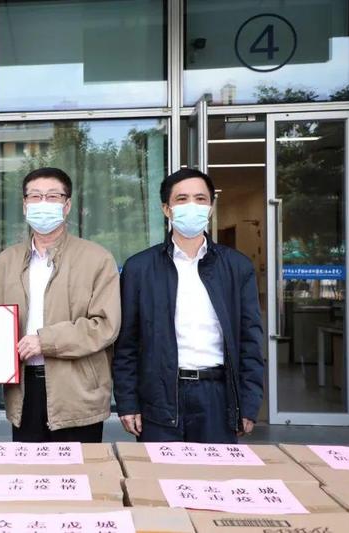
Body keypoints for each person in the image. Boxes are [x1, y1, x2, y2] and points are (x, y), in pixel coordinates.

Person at [113, 168, 264, 443]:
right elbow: (127, 344)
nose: (192, 205)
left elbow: (250, 341)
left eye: (200, 199)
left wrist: (249, 403)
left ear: (211, 207)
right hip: (158, 396)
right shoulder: (139, 268)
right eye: (182, 199)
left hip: (217, 396)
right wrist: (127, 402)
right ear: (166, 209)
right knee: (160, 471)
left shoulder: (237, 266)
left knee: (214, 471)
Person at [0, 167, 120, 443]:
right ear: (24, 205)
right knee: (28, 469)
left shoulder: (97, 259)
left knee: (77, 469)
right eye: (35, 196)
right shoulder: (5, 262)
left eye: (52, 196)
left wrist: (45, 341)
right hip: (24, 392)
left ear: (67, 205)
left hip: (78, 391)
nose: (43, 203)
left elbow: (104, 326)